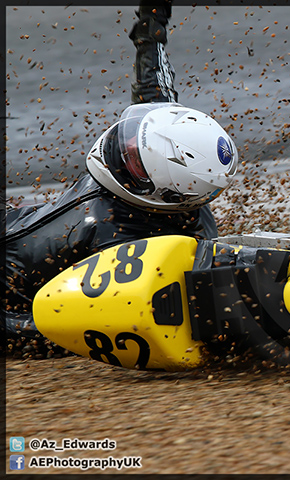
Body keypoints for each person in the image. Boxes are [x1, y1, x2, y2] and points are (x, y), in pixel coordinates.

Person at [3, 1, 239, 354]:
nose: (123, 150)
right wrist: (152, 28)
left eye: (135, 161)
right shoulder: (163, 153)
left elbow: (74, 325)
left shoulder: (126, 250)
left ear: (161, 194)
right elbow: (154, 90)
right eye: (131, 142)